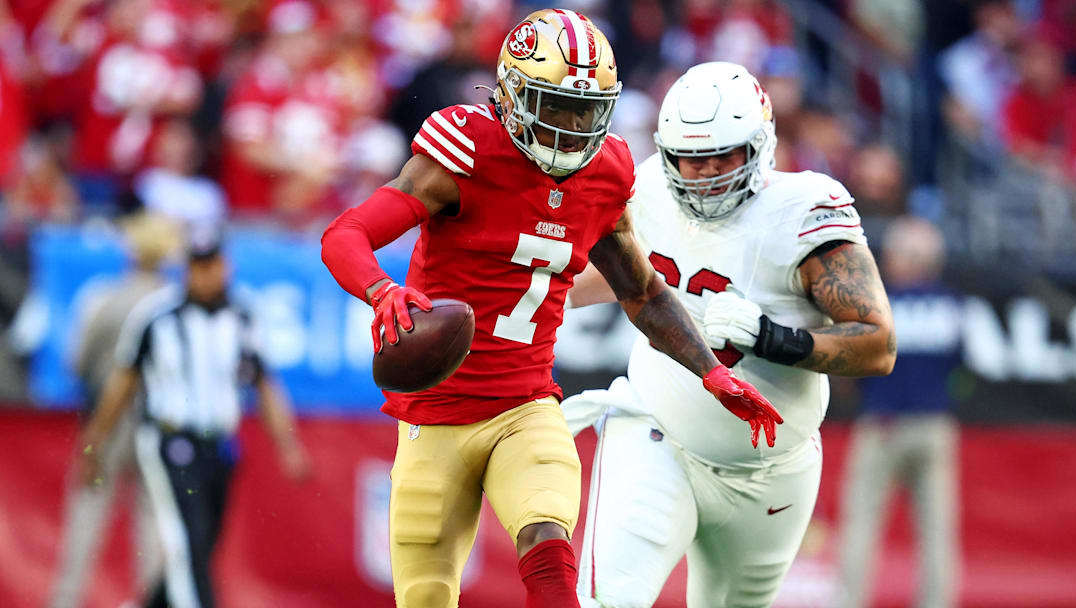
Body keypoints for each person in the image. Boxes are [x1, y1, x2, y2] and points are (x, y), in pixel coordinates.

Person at [320, 11, 781, 608]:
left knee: (548, 545)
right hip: (432, 417)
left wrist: (712, 372)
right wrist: (382, 291)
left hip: (526, 406)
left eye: (583, 110)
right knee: (426, 594)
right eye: (554, 106)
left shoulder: (607, 171)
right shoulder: (465, 150)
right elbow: (346, 233)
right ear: (511, 94)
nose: (569, 127)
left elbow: (640, 290)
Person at [560, 61, 897, 608]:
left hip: (772, 474)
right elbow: (609, 276)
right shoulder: (643, 186)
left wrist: (773, 338)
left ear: (760, 144)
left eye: (723, 154)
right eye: (691, 159)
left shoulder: (803, 209)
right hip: (657, 435)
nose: (707, 172)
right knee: (605, 601)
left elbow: (878, 346)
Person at [78, 229, 311, 608]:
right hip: (171, 441)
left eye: (212, 265)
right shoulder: (156, 317)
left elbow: (265, 383)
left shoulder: (243, 316)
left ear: (226, 266)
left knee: (202, 544)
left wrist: (288, 444)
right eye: (197, 267)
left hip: (219, 444)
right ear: (185, 269)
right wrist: (94, 444)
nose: (206, 275)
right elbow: (122, 383)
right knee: (189, 541)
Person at [50, 212, 179, 608]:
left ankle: (66, 601)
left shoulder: (102, 296)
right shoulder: (174, 304)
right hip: (158, 424)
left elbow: (77, 361)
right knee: (153, 525)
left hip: (104, 421)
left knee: (86, 521)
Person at [836, 216, 961, 608]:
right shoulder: (952, 305)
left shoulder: (876, 303)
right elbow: (962, 371)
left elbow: (851, 364)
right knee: (938, 531)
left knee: (861, 525)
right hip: (935, 425)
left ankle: (849, 602)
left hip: (883, 423)